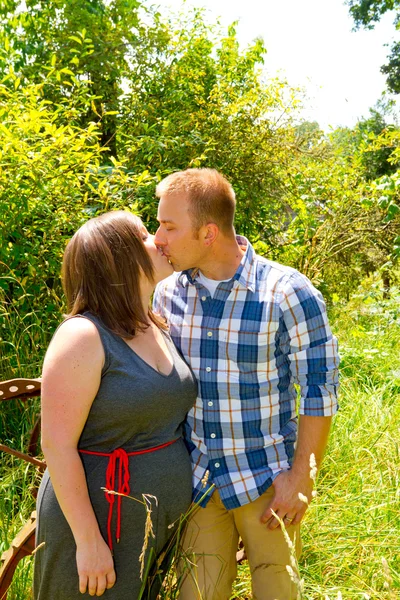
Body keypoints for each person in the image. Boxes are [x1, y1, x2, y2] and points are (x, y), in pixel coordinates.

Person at [152, 168, 339, 600]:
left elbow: (320, 386)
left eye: (168, 225)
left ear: (208, 233)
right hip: (200, 481)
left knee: (277, 591)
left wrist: (301, 478)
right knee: (197, 594)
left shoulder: (287, 292)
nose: (158, 237)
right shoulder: (167, 294)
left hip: (268, 481)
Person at [34, 211, 197, 599]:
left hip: (150, 525)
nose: (158, 240)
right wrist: (89, 542)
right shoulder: (83, 335)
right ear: (118, 256)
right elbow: (56, 445)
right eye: (144, 234)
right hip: (97, 525)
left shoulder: (155, 324)